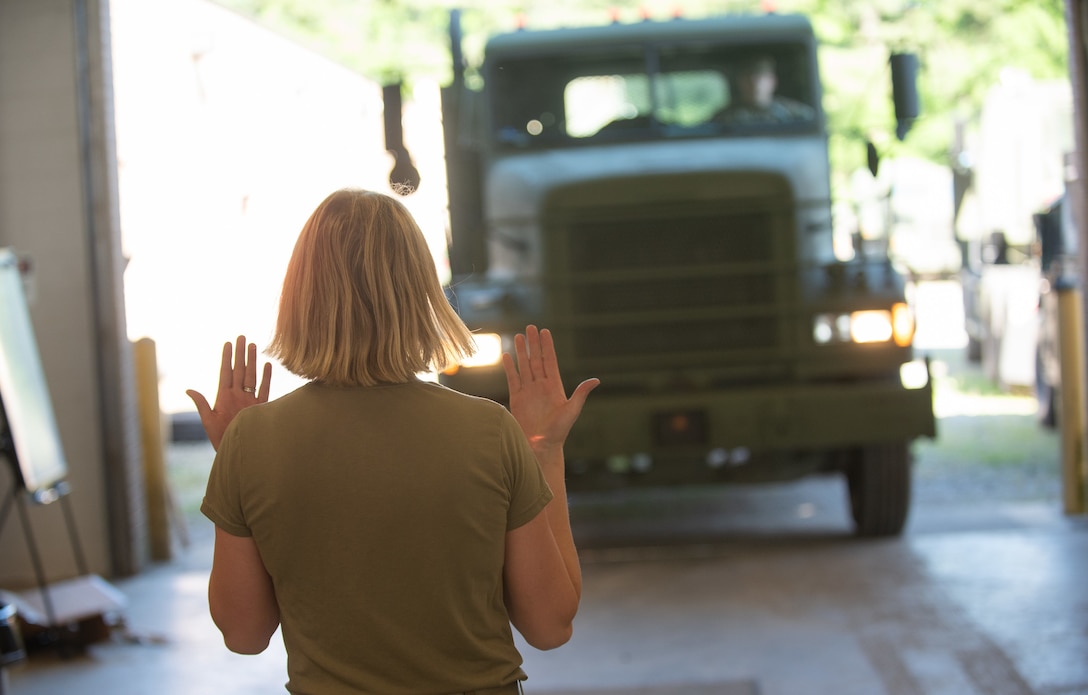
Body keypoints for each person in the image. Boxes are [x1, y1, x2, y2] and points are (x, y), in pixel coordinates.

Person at [186, 188, 599, 695]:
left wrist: (237, 464)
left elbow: (244, 635)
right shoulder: (490, 433)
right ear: (420, 292)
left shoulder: (250, 442)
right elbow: (550, 626)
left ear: (300, 295)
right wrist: (543, 450)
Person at [716, 55, 815, 124]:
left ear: (772, 81)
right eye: (748, 78)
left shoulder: (795, 113)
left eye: (760, 77)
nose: (754, 84)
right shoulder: (725, 118)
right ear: (740, 82)